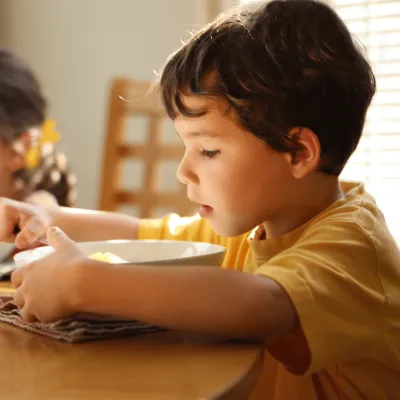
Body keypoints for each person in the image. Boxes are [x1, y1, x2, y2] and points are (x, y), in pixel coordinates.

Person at [2, 1, 400, 397]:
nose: (183, 171)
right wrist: (44, 215)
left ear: (297, 152)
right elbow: (145, 234)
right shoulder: (258, 225)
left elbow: (263, 306)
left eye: (207, 151)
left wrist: (84, 283)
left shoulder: (353, 243)